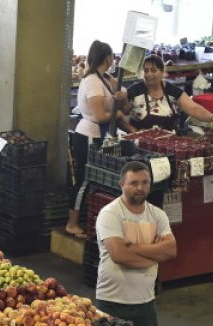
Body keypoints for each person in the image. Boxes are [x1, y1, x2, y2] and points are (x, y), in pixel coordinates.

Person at [95, 161, 176, 326]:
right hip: (112, 302)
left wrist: (134, 247)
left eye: (145, 182)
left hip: (146, 304)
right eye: (134, 183)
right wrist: (154, 253)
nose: (140, 187)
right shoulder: (110, 214)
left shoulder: (157, 215)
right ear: (121, 184)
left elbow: (171, 250)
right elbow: (119, 255)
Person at [67, 40, 129, 239]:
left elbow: (122, 106)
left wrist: (122, 98)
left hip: (104, 136)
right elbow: (101, 115)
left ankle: (92, 221)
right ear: (108, 57)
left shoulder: (106, 78)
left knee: (100, 179)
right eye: (112, 56)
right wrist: (118, 115)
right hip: (89, 136)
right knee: (85, 179)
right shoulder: (93, 82)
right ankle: (72, 223)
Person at [125, 55, 213, 132]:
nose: (149, 74)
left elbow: (193, 108)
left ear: (162, 71)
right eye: (146, 71)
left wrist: (212, 117)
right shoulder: (134, 92)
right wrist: (133, 131)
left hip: (169, 145)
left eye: (153, 70)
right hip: (139, 146)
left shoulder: (172, 92)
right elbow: (117, 115)